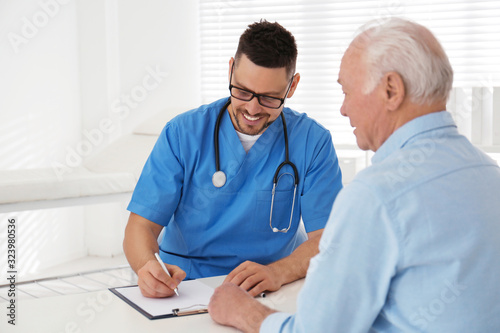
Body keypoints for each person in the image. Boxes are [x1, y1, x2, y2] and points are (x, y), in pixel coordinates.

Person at [208, 17, 500, 332]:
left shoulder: (376, 196)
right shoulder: (489, 175)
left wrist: (243, 312)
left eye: (346, 91)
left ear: (391, 90)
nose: (344, 109)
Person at [123, 20, 343, 298]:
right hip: (186, 285)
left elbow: (329, 238)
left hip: (273, 283)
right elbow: (141, 226)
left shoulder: (312, 141)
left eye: (269, 98)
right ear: (230, 69)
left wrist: (278, 272)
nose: (252, 108)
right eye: (242, 91)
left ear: (292, 86)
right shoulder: (183, 134)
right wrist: (147, 267)